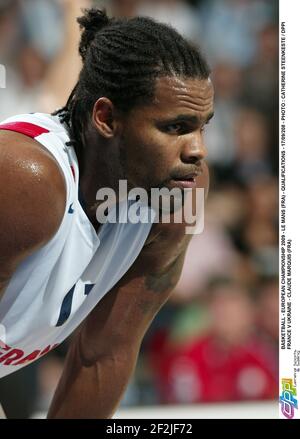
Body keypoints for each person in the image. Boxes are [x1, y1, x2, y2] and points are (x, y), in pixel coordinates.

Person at [0, 8, 214, 418]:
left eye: (203, 126)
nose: (197, 149)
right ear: (106, 118)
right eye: (176, 127)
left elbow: (103, 355)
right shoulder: (26, 180)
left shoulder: (177, 201)